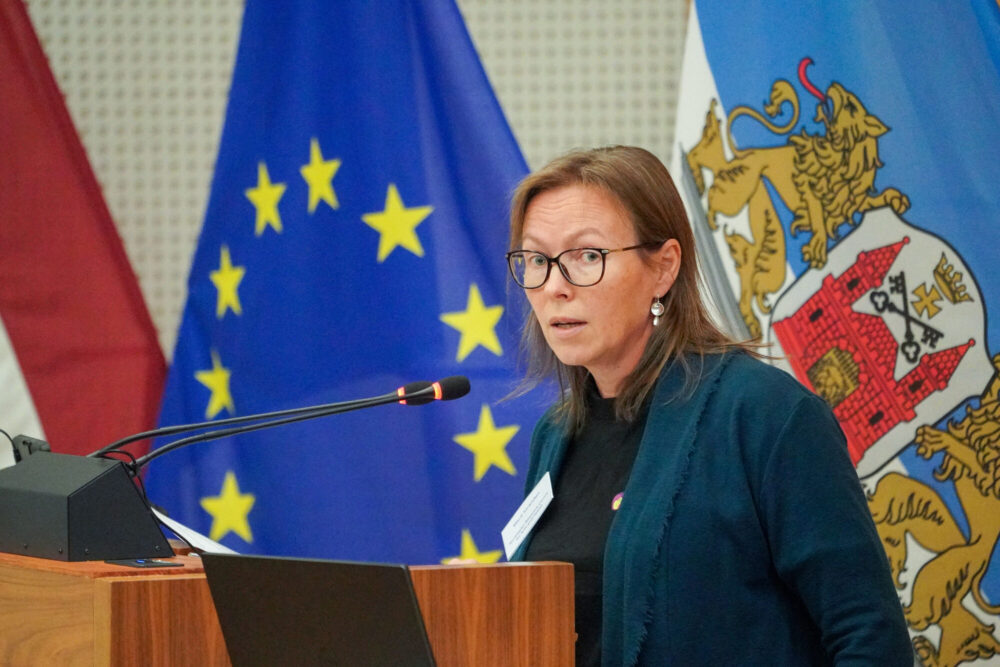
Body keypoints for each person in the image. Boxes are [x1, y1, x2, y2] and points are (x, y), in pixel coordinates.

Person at [504, 146, 912, 665]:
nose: (555, 287)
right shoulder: (555, 435)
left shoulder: (766, 415)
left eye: (587, 256)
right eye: (537, 260)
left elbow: (869, 637)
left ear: (663, 268)